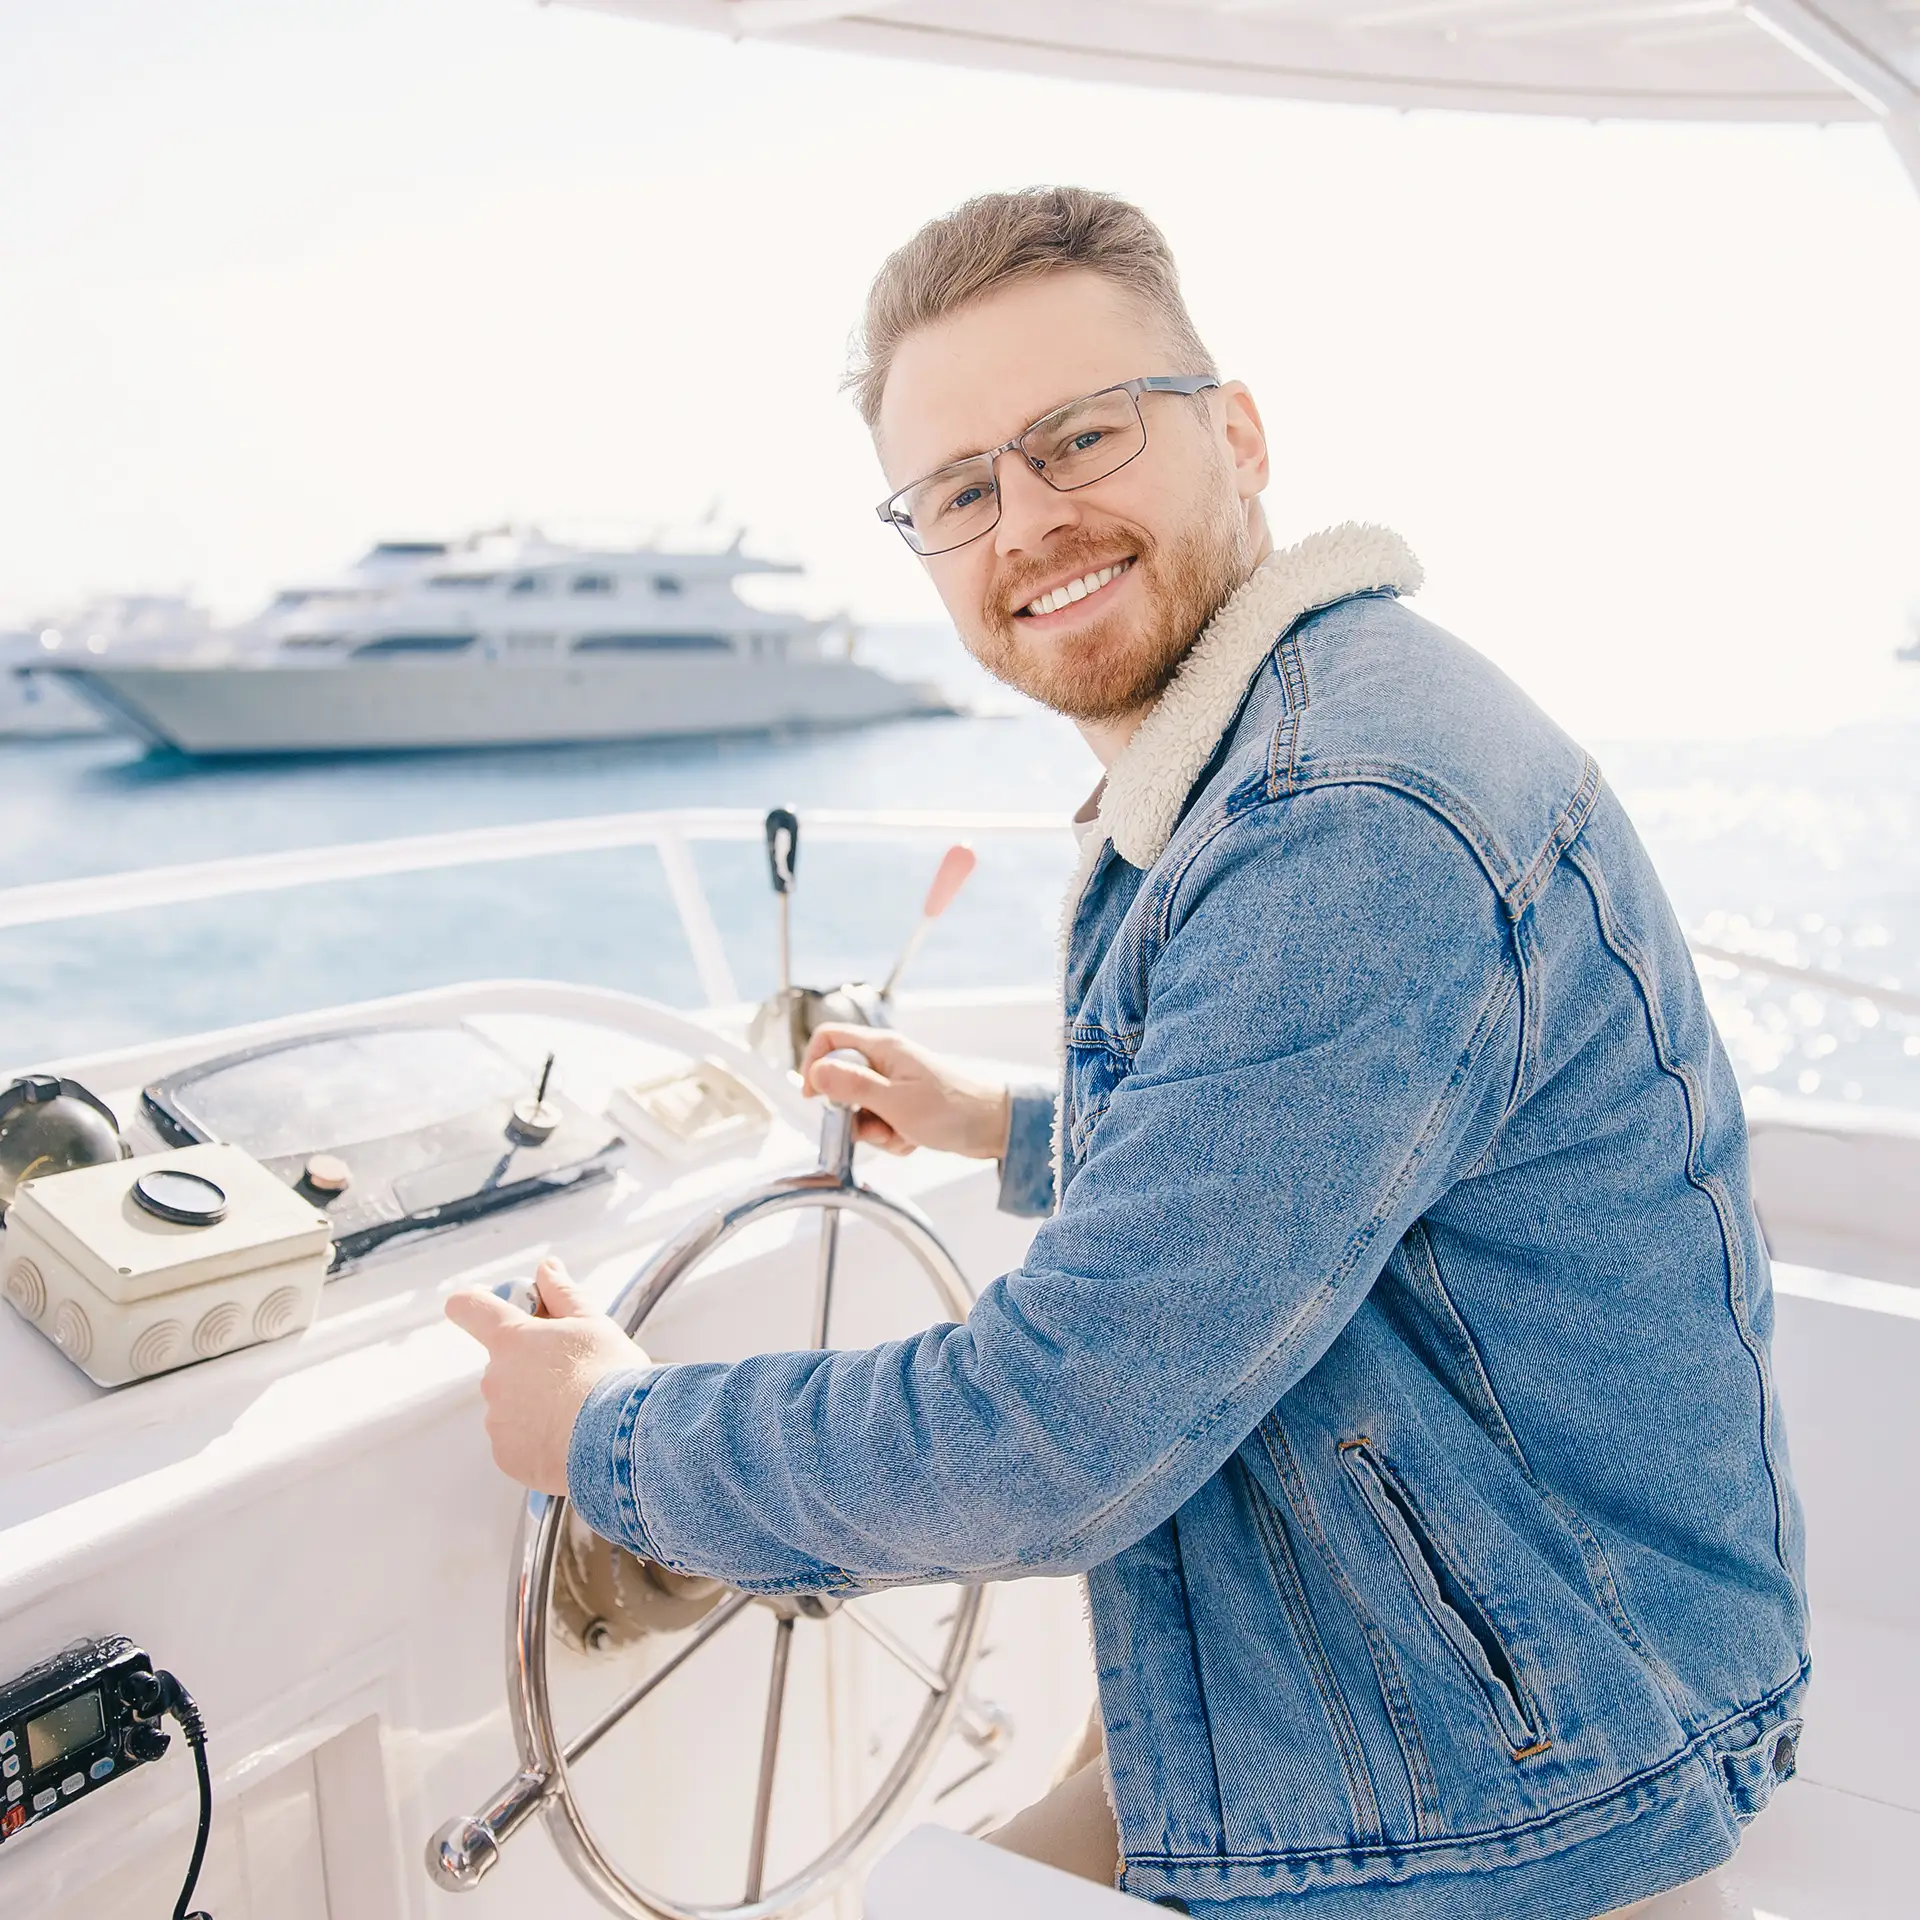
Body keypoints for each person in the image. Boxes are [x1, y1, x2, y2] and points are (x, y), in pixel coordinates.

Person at [446, 187, 1808, 1917]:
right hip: (1486, 1662)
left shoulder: (1346, 821)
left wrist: (614, 1442)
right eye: (959, 490)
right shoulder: (1304, 724)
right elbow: (1317, 1166)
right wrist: (1001, 1121)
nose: (1029, 518)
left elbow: (1051, 1442)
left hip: (1544, 1762)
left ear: (1234, 434)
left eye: (1080, 436)